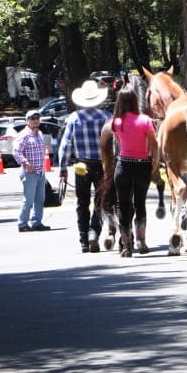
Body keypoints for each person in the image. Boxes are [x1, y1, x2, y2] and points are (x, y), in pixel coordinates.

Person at [58, 79, 111, 253]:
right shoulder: (106, 118)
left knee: (82, 202)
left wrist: (63, 168)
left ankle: (83, 240)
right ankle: (94, 231)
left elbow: (66, 146)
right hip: (102, 165)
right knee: (101, 201)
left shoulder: (74, 118)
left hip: (81, 164)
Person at [112, 84, 158, 257]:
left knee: (123, 206)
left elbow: (119, 141)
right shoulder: (145, 121)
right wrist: (153, 160)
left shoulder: (116, 122)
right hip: (142, 165)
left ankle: (126, 245)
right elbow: (154, 144)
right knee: (140, 204)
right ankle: (141, 241)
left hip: (123, 165)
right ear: (134, 101)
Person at [13, 109, 51, 232]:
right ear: (27, 121)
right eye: (32, 119)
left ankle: (37, 222)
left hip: (40, 171)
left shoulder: (39, 134)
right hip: (29, 172)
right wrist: (25, 162)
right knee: (28, 200)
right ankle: (22, 224)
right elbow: (16, 151)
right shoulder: (24, 135)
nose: (35, 121)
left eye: (37, 119)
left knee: (40, 200)